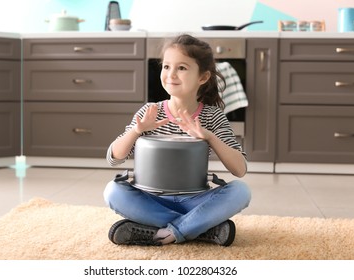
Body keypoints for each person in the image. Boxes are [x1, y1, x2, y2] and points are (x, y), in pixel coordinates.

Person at [103, 34, 251, 246]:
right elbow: (113, 158)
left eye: (181, 68)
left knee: (241, 191)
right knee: (113, 190)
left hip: (196, 200)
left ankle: (159, 231)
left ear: (203, 77)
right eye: (166, 67)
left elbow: (240, 169)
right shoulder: (149, 112)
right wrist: (137, 130)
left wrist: (209, 137)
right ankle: (199, 228)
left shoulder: (212, 116)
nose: (171, 74)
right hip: (151, 198)